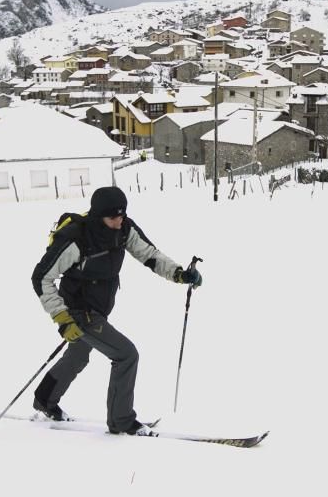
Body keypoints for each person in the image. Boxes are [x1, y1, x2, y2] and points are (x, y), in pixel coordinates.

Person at [30, 186, 202, 435]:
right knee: (126, 355)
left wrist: (179, 274)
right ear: (99, 215)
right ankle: (121, 419)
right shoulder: (77, 239)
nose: (119, 220)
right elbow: (41, 278)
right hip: (78, 310)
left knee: (78, 355)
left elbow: (149, 255)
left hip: (99, 306)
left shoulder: (123, 229)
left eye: (122, 215)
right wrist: (63, 319)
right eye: (113, 217)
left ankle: (44, 399)